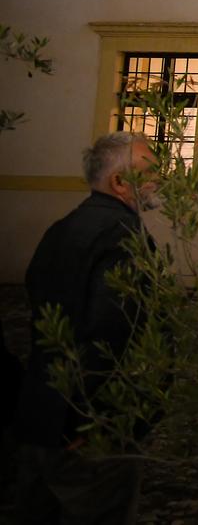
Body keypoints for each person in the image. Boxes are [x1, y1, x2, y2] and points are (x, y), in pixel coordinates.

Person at [13, 133, 158, 525]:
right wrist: (92, 418)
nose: (161, 179)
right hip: (88, 429)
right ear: (119, 182)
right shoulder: (124, 238)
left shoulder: (60, 229)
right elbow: (112, 333)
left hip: (40, 414)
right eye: (152, 170)